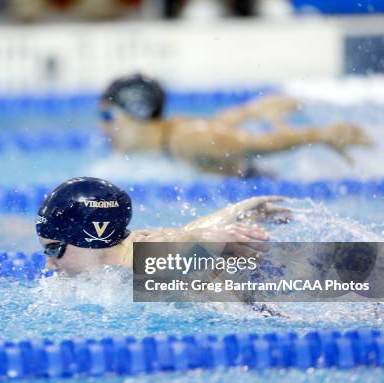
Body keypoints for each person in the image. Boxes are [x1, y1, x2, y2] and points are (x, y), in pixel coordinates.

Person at [99, 73, 372, 177]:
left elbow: (255, 144)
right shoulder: (171, 134)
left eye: (107, 117)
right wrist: (249, 111)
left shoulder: (187, 140)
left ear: (135, 112)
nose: (104, 129)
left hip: (259, 183)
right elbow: (219, 126)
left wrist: (321, 134)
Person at [36, 176, 289, 275]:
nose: (49, 263)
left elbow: (178, 246)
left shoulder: (136, 262)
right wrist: (233, 212)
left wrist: (214, 238)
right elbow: (184, 233)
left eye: (54, 249)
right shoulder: (127, 248)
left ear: (91, 238)